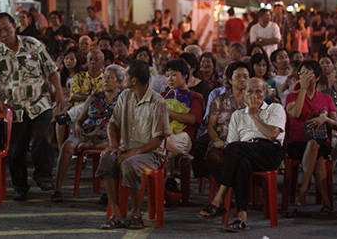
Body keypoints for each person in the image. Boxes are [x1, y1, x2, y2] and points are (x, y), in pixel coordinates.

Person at [0, 12, 65, 201]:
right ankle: (20, 187)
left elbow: (51, 70)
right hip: (14, 108)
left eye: (6, 29)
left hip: (39, 103)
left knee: (42, 138)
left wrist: (59, 92)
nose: (3, 34)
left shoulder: (32, 44)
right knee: (15, 149)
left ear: (15, 26)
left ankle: (43, 176)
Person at [199, 78, 285, 232]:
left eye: (258, 92)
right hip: (243, 151)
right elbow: (231, 145)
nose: (254, 96)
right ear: (244, 94)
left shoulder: (275, 108)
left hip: (269, 151)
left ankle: (219, 198)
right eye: (250, 92)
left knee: (236, 150)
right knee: (241, 163)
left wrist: (254, 116)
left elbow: (272, 135)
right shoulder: (237, 115)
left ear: (264, 93)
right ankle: (242, 217)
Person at [97, 60, 170, 230]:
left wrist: (133, 153)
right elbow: (113, 124)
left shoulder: (158, 103)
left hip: (152, 154)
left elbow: (158, 140)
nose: (124, 79)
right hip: (126, 148)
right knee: (106, 159)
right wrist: (114, 145)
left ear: (135, 80)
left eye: (127, 75)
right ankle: (117, 213)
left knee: (130, 164)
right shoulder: (125, 96)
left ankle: (136, 213)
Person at [51, 64, 125, 202]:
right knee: (67, 146)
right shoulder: (95, 96)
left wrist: (90, 143)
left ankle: (108, 192)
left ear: (119, 82)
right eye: (105, 78)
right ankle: (58, 189)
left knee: (111, 149)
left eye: (110, 78)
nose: (105, 80)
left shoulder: (123, 99)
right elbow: (81, 118)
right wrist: (78, 125)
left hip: (108, 137)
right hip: (87, 132)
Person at [284, 60, 337, 213]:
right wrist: (302, 90)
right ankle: (326, 202)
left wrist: (325, 119)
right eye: (302, 73)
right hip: (297, 143)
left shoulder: (326, 99)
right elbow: (296, 113)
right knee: (318, 159)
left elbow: (336, 124)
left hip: (321, 141)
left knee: (315, 145)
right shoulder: (291, 97)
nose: (305, 76)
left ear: (317, 77)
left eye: (309, 73)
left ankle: (303, 190)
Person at [162, 59, 205, 204]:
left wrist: (169, 113)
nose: (170, 79)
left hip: (184, 136)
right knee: (158, 144)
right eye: (167, 76)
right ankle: (181, 156)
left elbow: (192, 119)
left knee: (157, 144)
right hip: (164, 136)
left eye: (174, 75)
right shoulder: (163, 96)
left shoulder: (195, 97)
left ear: (185, 75)